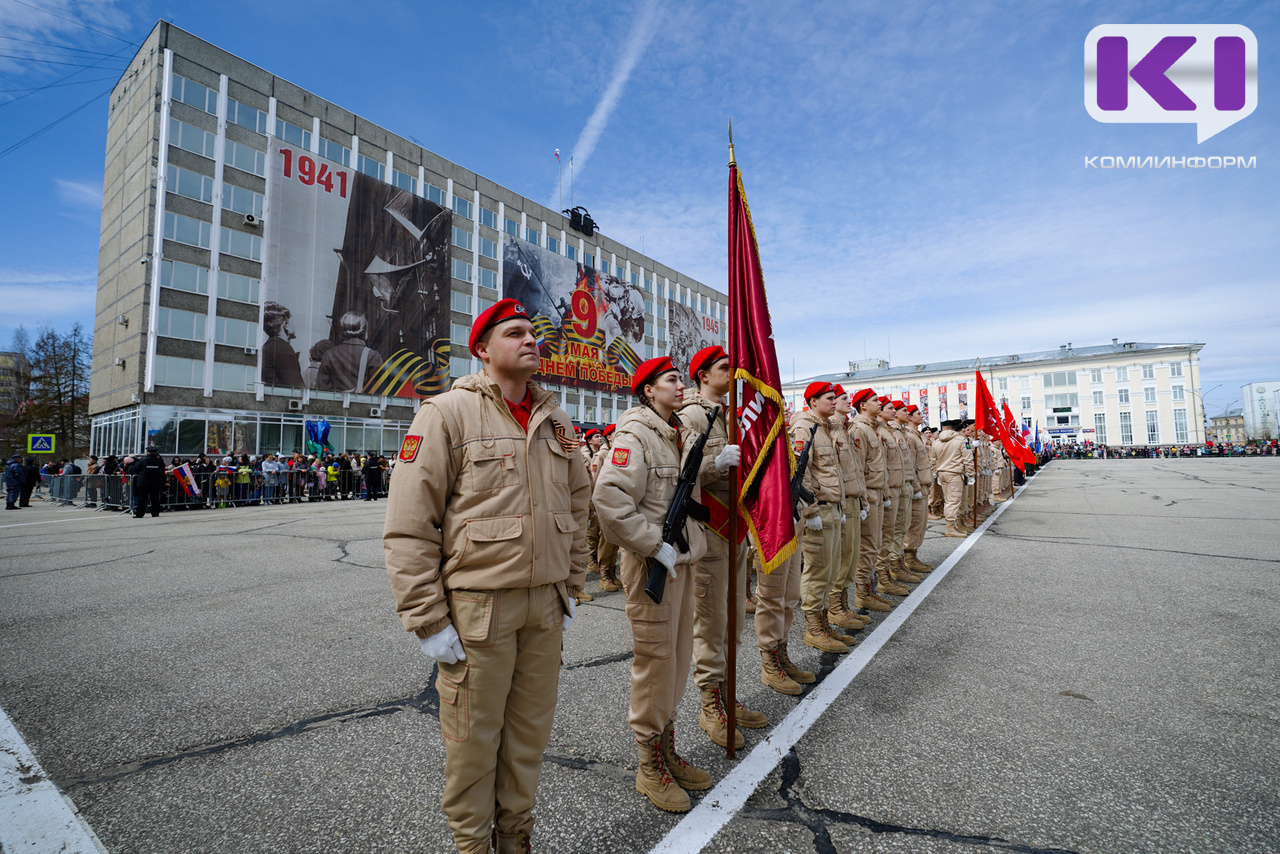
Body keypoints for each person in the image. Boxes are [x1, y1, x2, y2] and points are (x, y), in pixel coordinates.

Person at [383, 298, 589, 853]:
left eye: (533, 333)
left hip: (544, 606)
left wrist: (571, 582)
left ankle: (516, 838)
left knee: (527, 739)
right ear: (482, 349)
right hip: (479, 609)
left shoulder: (557, 418)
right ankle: (473, 847)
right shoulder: (445, 413)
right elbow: (408, 526)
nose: (531, 341)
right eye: (515, 333)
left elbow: (577, 501)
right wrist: (427, 619)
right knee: (473, 745)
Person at [594, 356, 710, 813]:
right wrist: (648, 544)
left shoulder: (677, 432)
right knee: (656, 661)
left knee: (679, 658)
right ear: (647, 390)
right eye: (671, 379)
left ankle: (667, 747)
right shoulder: (635, 434)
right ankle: (648, 762)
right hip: (651, 566)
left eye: (681, 378)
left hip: (680, 558)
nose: (680, 385)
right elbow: (609, 498)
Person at [677, 345, 766, 749]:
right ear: (702, 376)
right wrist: (717, 462)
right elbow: (684, 471)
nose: (732, 374)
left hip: (736, 526)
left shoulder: (732, 414)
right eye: (724, 368)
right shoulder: (693, 414)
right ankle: (710, 703)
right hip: (711, 529)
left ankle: (728, 694)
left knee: (731, 619)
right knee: (711, 622)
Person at [791, 382, 852, 654]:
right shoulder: (806, 427)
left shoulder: (827, 428)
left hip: (833, 507)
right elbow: (801, 471)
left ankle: (824, 622)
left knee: (829, 570)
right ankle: (813, 628)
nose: (834, 401)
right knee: (817, 570)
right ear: (813, 401)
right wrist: (810, 509)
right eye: (829, 398)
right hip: (819, 509)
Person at [825, 385, 871, 638]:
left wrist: (862, 500)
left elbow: (856, 469)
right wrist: (842, 502)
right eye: (840, 398)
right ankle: (834, 606)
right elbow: (833, 472)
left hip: (854, 498)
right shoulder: (831, 429)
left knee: (852, 555)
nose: (843, 402)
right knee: (841, 558)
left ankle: (843, 603)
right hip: (841, 501)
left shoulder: (847, 429)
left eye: (842, 398)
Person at [848, 389, 894, 613]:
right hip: (868, 493)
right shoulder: (859, 429)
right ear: (863, 405)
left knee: (875, 543)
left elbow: (880, 466)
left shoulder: (873, 428)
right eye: (875, 401)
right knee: (868, 546)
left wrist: (884, 492)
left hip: (877, 492)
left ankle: (870, 589)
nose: (880, 403)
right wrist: (864, 500)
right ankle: (863, 594)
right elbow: (858, 467)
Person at [901, 405, 934, 574]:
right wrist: (915, 487)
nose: (922, 416)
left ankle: (914, 555)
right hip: (917, 485)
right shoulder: (909, 437)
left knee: (921, 523)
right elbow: (910, 465)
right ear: (910, 418)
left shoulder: (917, 436)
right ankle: (909, 556)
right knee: (914, 523)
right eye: (918, 414)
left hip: (923, 484)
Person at [318, 312, 383, 392]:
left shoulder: (329, 355)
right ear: (364, 330)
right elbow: (378, 391)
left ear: (342, 331)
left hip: (336, 403)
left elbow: (322, 390)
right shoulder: (373, 356)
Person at [936, 420, 976, 538]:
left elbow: (933, 459)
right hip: (954, 473)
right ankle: (950, 527)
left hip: (942, 473)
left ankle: (953, 525)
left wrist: (936, 472)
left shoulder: (937, 441)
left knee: (948, 500)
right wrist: (971, 474)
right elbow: (968, 459)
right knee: (953, 501)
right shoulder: (961, 441)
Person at [261, 301, 304, 388]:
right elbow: (296, 387)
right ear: (286, 325)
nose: (295, 327)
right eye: (292, 323)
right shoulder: (283, 349)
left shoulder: (269, 346)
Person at [131, 446, 166, 518]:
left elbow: (136, 469)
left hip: (143, 482)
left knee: (142, 499)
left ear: (147, 452)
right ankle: (155, 513)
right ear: (156, 453)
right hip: (155, 482)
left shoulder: (143, 460)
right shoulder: (159, 461)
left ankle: (140, 514)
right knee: (155, 498)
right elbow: (162, 471)